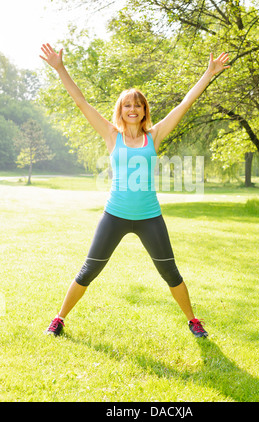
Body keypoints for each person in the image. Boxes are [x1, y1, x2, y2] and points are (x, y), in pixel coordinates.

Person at [40, 43, 230, 338]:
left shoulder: (154, 136)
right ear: (121, 110)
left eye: (137, 105)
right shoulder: (110, 134)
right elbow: (81, 102)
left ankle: (193, 321)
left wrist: (209, 73)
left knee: (170, 273)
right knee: (88, 271)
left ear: (144, 111)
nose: (132, 109)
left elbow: (184, 104)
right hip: (114, 215)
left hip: (149, 217)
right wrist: (60, 68)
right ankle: (59, 319)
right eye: (127, 105)